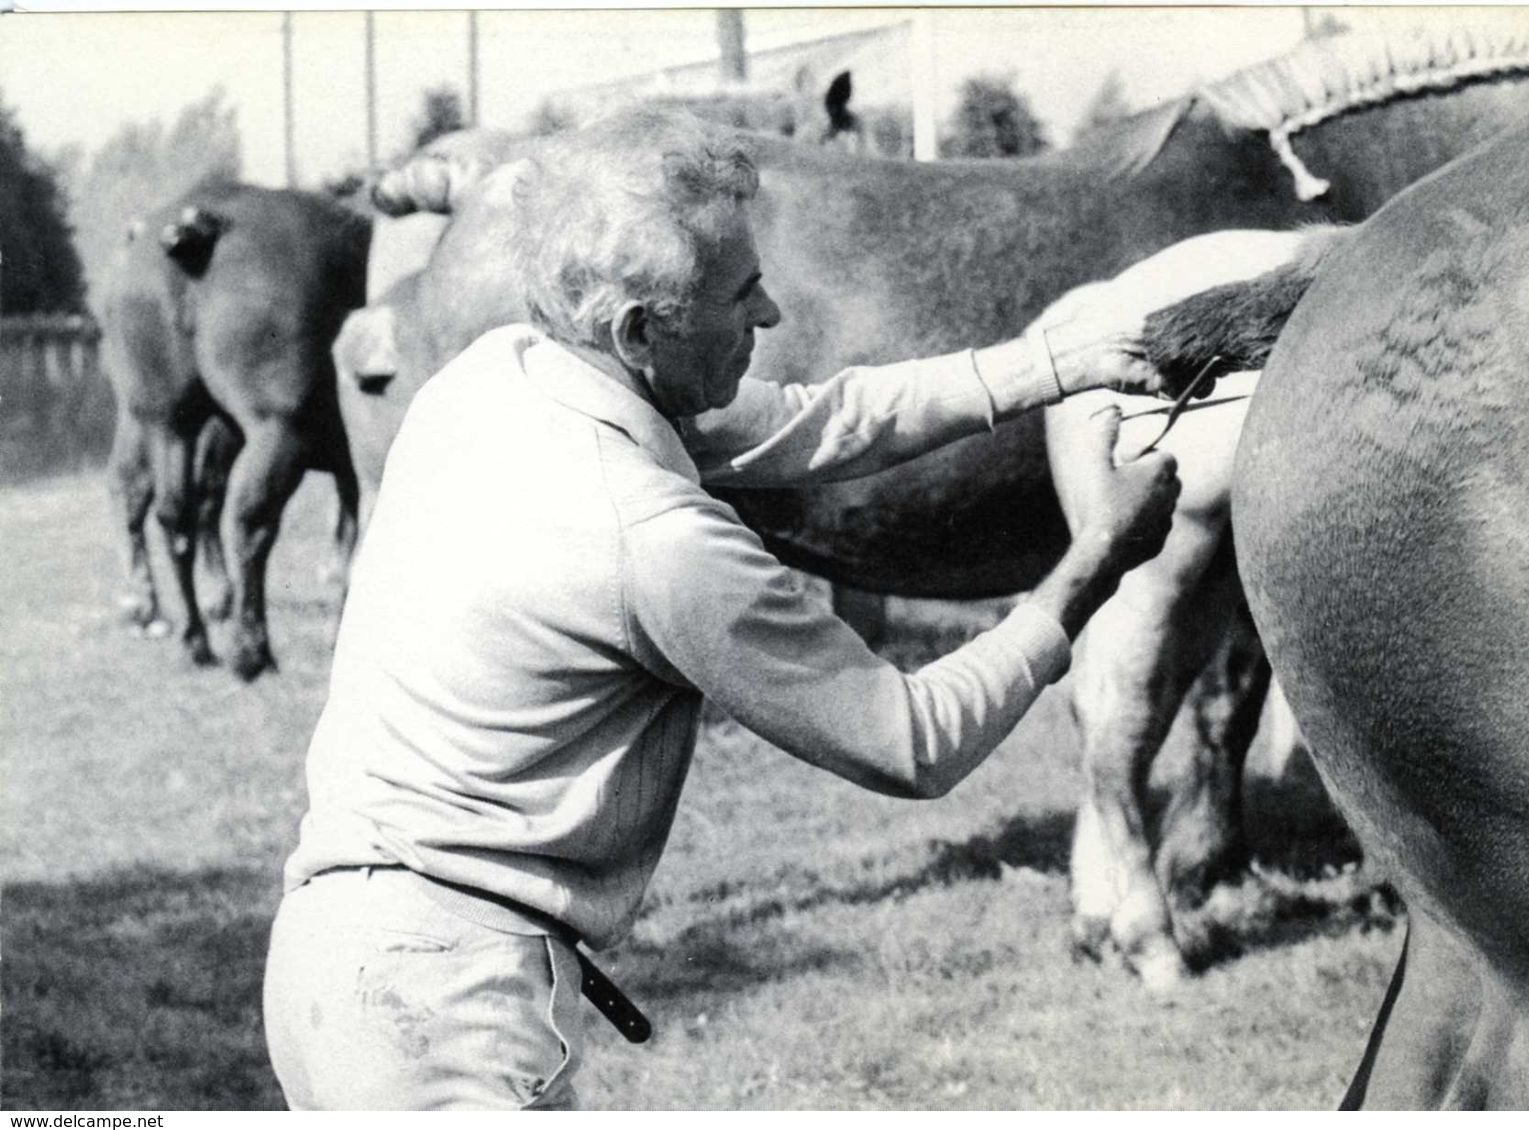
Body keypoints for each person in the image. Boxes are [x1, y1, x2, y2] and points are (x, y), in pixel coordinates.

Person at [262, 107, 1228, 1110]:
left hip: (336, 952)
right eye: (739, 292)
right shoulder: (655, 539)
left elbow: (828, 419)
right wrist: (1094, 562)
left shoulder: (491, 379)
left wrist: (1056, 362)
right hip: (444, 1008)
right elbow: (911, 739)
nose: (769, 317)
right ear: (641, 332)